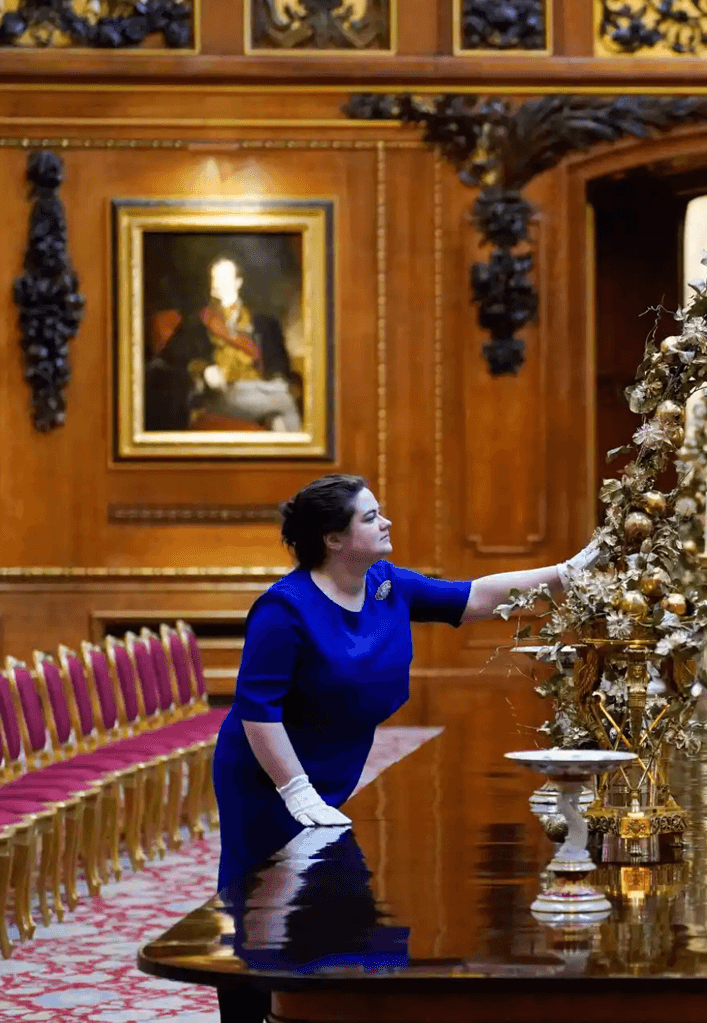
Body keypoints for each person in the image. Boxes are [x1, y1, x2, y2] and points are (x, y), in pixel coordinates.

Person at [212, 473, 601, 1023]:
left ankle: (325, 1006)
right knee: (266, 906)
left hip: (334, 767)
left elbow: (479, 596)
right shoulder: (285, 609)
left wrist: (566, 575)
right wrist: (294, 790)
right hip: (267, 775)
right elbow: (257, 710)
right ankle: (255, 1016)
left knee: (327, 892)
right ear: (333, 538)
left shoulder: (385, 584)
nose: (386, 521)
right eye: (370, 517)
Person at [154, 255, 305, 432]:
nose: (217, 283)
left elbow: (279, 362)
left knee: (279, 419)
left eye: (223, 277)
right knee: (285, 400)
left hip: (262, 391)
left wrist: (278, 376)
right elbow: (171, 356)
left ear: (238, 282)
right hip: (220, 394)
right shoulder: (199, 320)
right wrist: (203, 369)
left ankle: (288, 456)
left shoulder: (264, 322)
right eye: (214, 277)